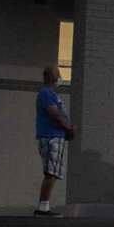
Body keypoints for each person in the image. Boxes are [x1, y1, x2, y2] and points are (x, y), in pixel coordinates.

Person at [34, 66, 74, 217]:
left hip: (56, 136)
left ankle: (44, 206)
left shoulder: (51, 93)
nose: (60, 76)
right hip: (51, 136)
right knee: (50, 173)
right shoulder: (46, 93)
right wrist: (68, 128)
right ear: (52, 77)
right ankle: (42, 208)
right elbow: (54, 114)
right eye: (58, 74)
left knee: (53, 173)